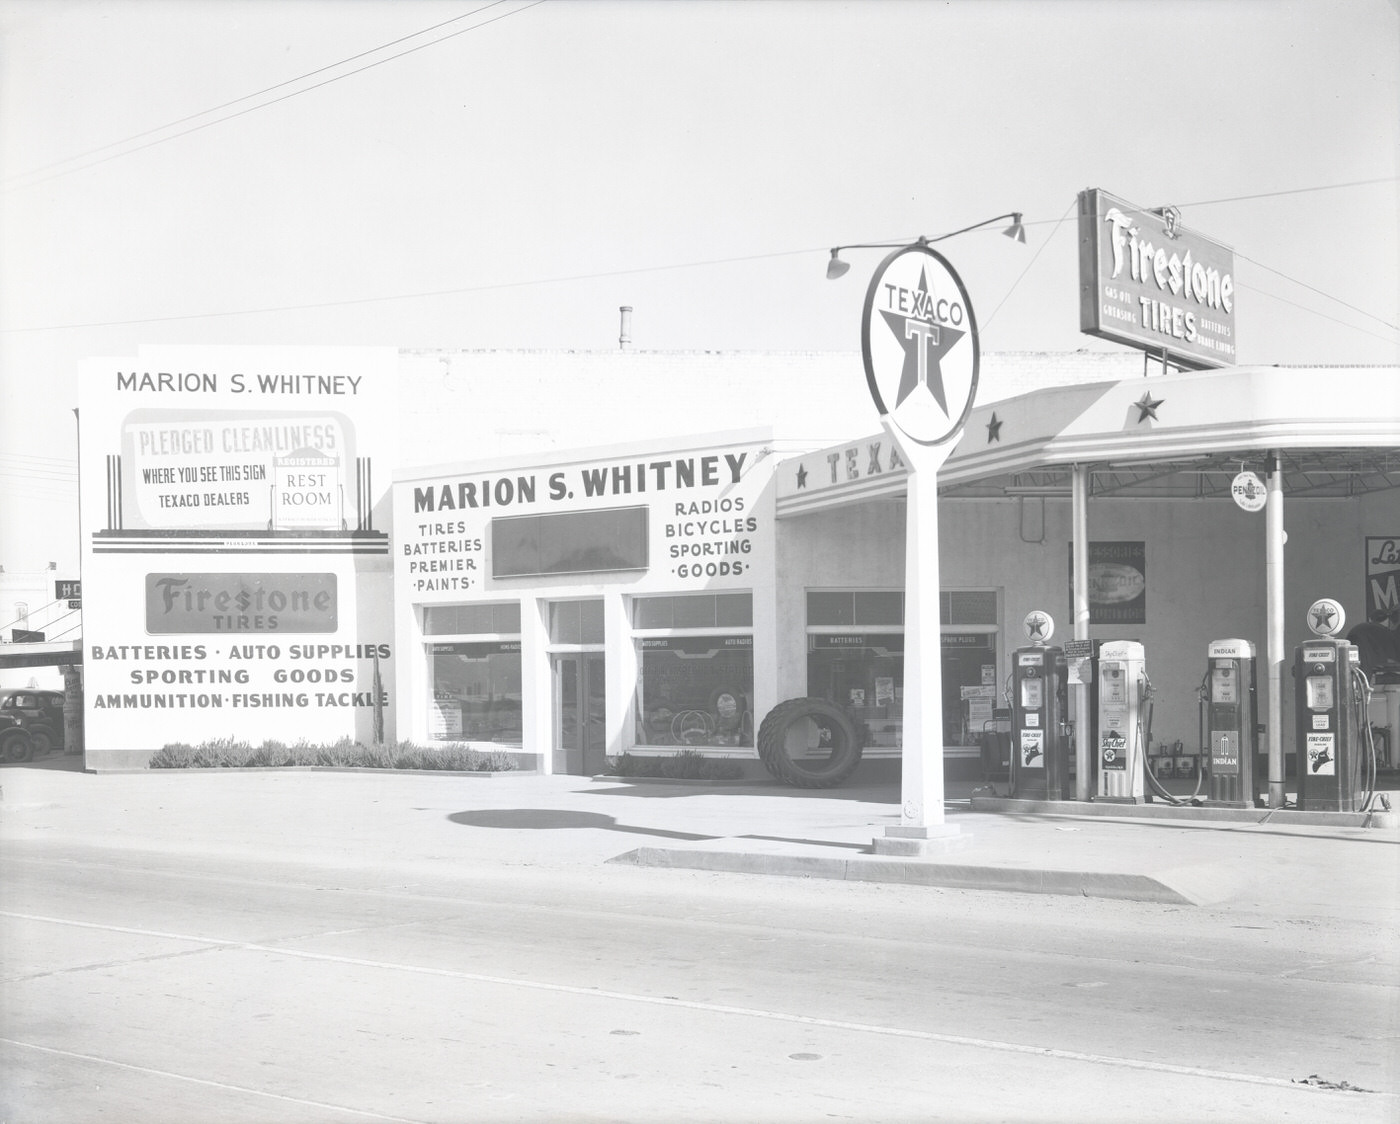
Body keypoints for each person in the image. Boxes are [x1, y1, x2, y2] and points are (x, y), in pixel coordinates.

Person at [1347, 608, 1400, 681]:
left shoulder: (1359, 629)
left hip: (1354, 674)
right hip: (1372, 675)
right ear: (1388, 621)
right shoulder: (1387, 633)